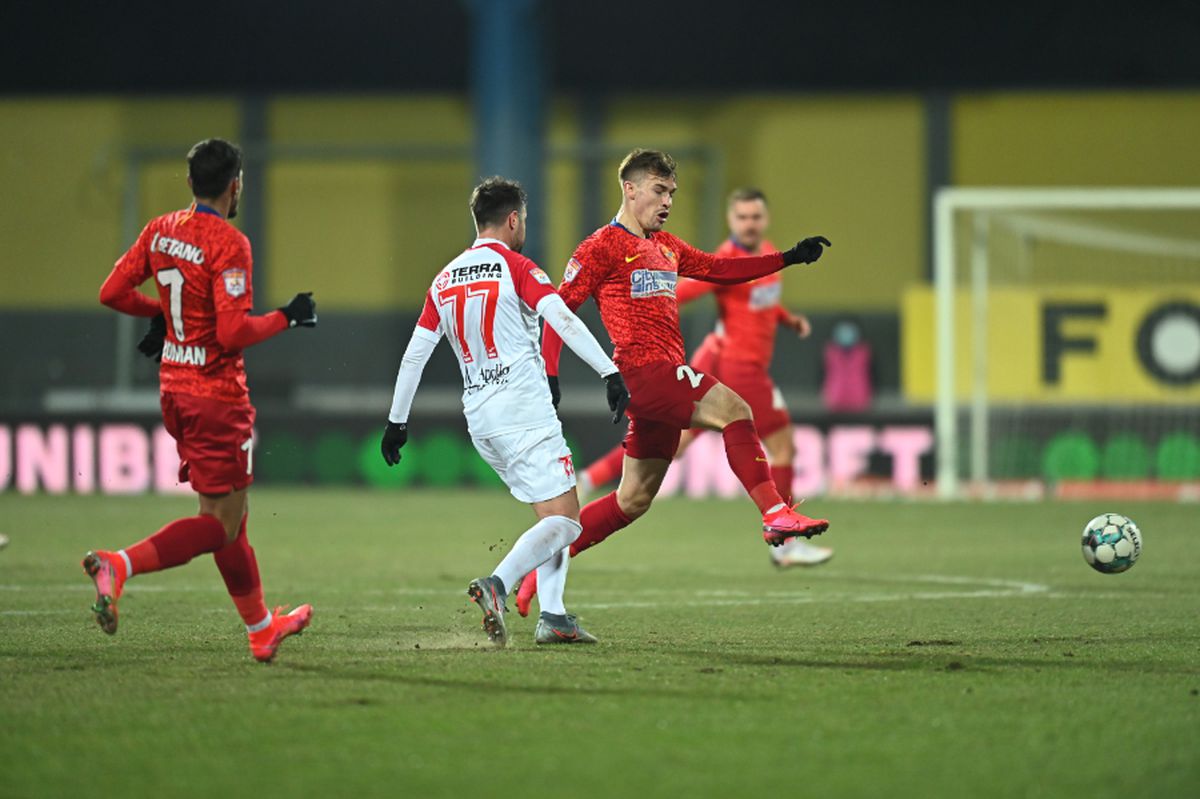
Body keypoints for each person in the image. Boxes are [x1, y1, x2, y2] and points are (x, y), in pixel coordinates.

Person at [518, 149, 832, 616]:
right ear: (630, 188)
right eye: (659, 190)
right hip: (644, 373)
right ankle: (774, 514)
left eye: (672, 193)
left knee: (633, 500)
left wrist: (786, 258)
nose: (667, 201)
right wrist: (550, 374)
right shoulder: (600, 246)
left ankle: (530, 573)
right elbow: (558, 312)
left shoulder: (665, 245)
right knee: (736, 410)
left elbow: (721, 269)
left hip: (661, 380)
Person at [86, 138, 317, 663]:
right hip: (217, 399)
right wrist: (288, 317)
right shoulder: (229, 243)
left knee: (231, 517)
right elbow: (233, 332)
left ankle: (261, 630)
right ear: (235, 184)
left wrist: (165, 318)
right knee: (218, 525)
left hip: (174, 390)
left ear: (191, 183)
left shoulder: (161, 229)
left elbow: (112, 292)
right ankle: (117, 565)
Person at [380, 176, 629, 647]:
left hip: (481, 418)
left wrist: (397, 421)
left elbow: (415, 356)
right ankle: (498, 583)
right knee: (567, 521)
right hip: (523, 410)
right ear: (514, 219)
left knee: (552, 516)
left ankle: (554, 617)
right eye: (524, 221)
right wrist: (608, 372)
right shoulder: (516, 267)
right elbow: (561, 317)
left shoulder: (443, 278)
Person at [578, 188, 833, 569]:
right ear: (732, 221)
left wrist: (787, 318)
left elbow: (760, 302)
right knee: (772, 440)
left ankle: (582, 492)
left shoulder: (765, 255)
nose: (750, 223)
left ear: (765, 219)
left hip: (735, 367)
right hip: (731, 366)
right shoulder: (720, 257)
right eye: (742, 217)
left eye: (756, 216)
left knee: (642, 488)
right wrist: (645, 308)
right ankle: (780, 527)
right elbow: (679, 289)